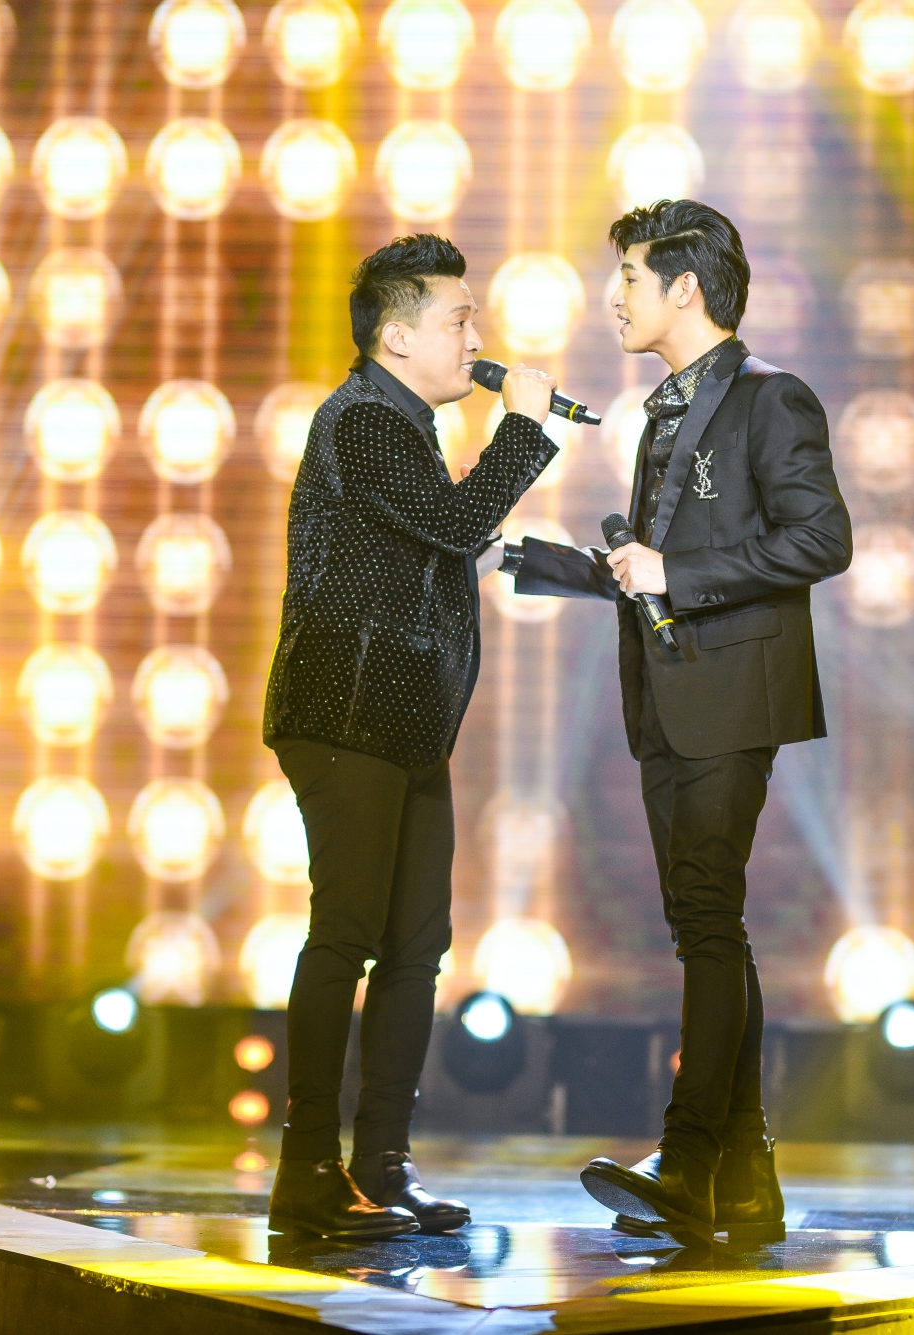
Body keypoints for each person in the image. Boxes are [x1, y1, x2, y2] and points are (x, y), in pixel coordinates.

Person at [500, 200, 851, 1245]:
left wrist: (678, 573)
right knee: (708, 924)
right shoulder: (663, 410)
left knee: (706, 919)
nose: (613, 298)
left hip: (731, 694)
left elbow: (821, 538)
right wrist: (540, 562)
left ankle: (690, 1156)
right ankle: (742, 1182)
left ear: (684, 287)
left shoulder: (768, 398)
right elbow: (646, 571)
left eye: (629, 278)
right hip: (668, 694)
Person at [261, 234, 559, 1240]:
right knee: (346, 934)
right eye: (458, 319)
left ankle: (380, 1166)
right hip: (345, 718)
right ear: (395, 337)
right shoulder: (361, 420)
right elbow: (453, 519)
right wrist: (522, 428)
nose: (476, 339)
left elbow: (436, 536)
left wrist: (519, 559)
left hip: (407, 725)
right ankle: (307, 1172)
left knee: (417, 946)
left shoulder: (403, 429)